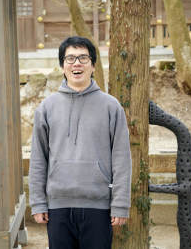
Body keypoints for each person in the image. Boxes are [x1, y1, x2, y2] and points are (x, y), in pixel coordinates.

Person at [29, 36, 132, 249]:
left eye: (83, 58)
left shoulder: (111, 107)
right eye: (70, 58)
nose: (77, 63)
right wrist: (38, 202)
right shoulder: (47, 108)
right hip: (58, 206)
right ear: (62, 66)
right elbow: (39, 158)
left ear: (93, 65)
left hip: (99, 207)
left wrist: (120, 204)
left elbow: (121, 159)